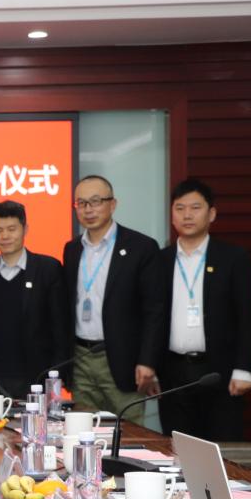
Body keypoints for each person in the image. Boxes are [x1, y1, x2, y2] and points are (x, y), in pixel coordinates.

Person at [158, 178, 251, 440]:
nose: (187, 215)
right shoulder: (161, 259)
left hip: (220, 371)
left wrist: (244, 368)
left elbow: (247, 318)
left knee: (221, 448)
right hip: (173, 372)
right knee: (177, 448)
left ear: (211, 213)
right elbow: (152, 317)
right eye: (180, 208)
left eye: (195, 207)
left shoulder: (233, 258)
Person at [63, 175, 165, 423]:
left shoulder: (141, 247)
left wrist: (148, 361)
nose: (89, 209)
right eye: (82, 203)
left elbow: (155, 310)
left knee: (128, 432)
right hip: (81, 357)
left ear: (113, 204)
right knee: (83, 430)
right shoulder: (72, 249)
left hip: (122, 359)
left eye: (96, 201)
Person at [0, 200, 68, 398]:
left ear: (25, 229)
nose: (5, 236)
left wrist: (58, 375)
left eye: (12, 229)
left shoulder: (48, 269)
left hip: (36, 377)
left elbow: (60, 327)